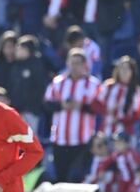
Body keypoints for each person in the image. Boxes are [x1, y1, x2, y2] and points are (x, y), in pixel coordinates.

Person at [43, 49, 101, 182]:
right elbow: (47, 104)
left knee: (77, 178)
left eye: (78, 63)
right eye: (72, 63)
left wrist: (81, 106)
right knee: (60, 178)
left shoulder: (93, 84)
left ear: (84, 65)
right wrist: (62, 105)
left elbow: (99, 107)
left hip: (83, 140)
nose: (74, 67)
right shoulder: (58, 82)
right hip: (60, 139)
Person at [95, 56, 140, 137]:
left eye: (127, 69)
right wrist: (107, 111)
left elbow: (138, 114)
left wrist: (121, 120)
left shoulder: (136, 90)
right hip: (106, 132)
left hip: (126, 135)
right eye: (122, 68)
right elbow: (95, 103)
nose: (124, 71)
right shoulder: (108, 86)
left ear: (132, 72)